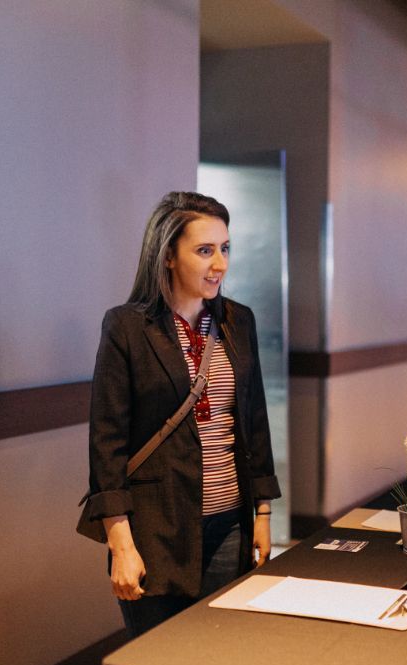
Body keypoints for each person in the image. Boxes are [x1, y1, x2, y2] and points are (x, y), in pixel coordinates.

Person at [79, 191, 280, 637]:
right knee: (159, 663)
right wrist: (121, 545)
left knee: (221, 656)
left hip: (230, 522)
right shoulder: (127, 327)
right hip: (156, 530)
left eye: (225, 249)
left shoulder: (237, 320)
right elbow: (106, 445)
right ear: (168, 255)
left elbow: (254, 421)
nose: (220, 264)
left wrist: (263, 515)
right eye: (204, 250)